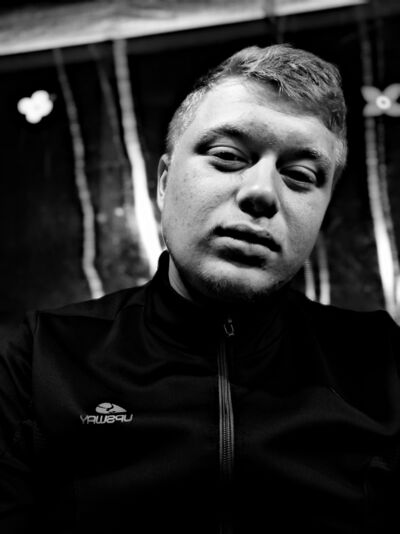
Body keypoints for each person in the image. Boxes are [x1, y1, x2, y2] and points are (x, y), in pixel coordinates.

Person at [1, 43, 399, 534]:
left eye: (300, 175)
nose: (261, 193)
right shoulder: (45, 357)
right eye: (227, 156)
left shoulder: (381, 363)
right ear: (164, 182)